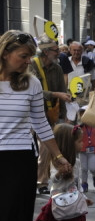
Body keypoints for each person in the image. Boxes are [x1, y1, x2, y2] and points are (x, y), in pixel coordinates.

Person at [0, 31, 73, 221]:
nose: (28, 61)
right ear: (5, 53)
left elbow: (41, 123)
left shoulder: (30, 84)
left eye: (31, 56)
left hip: (19, 158)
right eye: (23, 56)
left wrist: (58, 156)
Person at [32, 123, 89, 221]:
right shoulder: (53, 162)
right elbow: (52, 183)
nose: (82, 144)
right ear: (69, 144)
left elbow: (76, 185)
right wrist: (59, 174)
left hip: (74, 204)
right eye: (79, 142)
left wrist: (83, 196)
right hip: (58, 204)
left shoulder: (76, 162)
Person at [30, 38, 70, 194]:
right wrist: (54, 94)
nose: (59, 53)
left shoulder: (58, 68)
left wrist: (64, 116)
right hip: (30, 112)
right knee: (31, 150)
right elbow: (34, 90)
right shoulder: (32, 65)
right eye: (55, 50)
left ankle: (42, 182)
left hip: (48, 113)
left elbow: (63, 93)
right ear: (46, 52)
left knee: (45, 150)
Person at [78, 122, 95, 193]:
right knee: (84, 168)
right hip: (82, 150)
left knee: (93, 168)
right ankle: (84, 183)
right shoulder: (79, 127)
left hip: (93, 150)